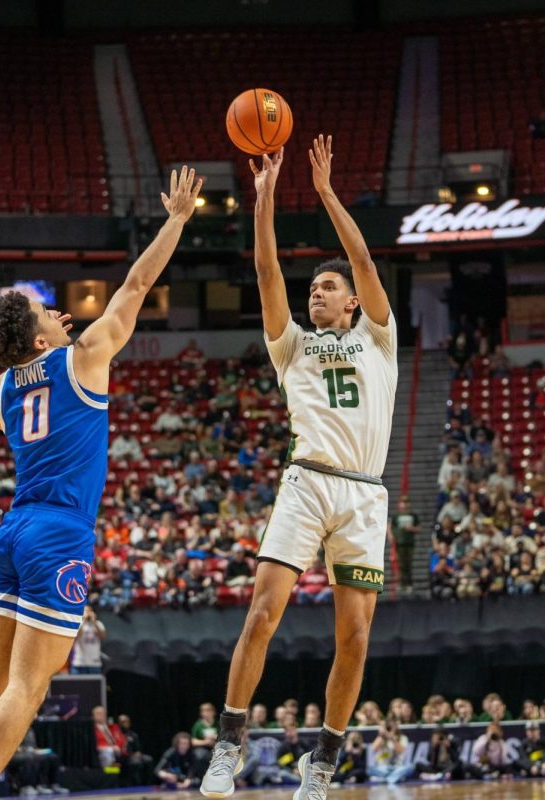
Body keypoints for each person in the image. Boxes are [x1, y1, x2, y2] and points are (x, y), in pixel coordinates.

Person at [0, 167, 204, 800]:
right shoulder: (84, 358)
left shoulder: (1, 389)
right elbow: (137, 283)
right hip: (58, 530)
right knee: (29, 687)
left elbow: (5, 403)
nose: (59, 311)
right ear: (38, 337)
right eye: (46, 311)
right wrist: (178, 218)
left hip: (12, 530)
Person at [203, 137, 398, 800]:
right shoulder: (293, 346)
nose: (317, 291)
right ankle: (227, 747)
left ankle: (324, 761)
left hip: (365, 495)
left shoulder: (378, 336)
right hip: (308, 479)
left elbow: (365, 258)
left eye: (328, 287)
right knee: (262, 614)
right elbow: (264, 274)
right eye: (313, 286)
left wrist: (323, 193)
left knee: (355, 637)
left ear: (352, 303)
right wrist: (264, 200)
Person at [70, 605, 105, 675]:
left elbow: (102, 636)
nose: (87, 613)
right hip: (79, 663)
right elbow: (76, 636)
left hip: (94, 664)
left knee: (94, 685)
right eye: (85, 611)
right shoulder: (79, 624)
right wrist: (83, 621)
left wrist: (94, 621)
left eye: (89, 611)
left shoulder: (98, 623)